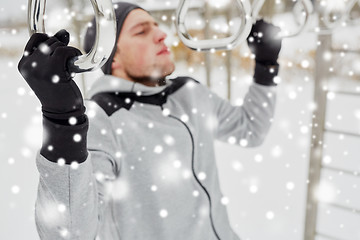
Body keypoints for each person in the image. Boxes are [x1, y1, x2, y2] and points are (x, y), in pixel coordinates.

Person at [18, 2, 282, 240]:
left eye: (156, 26)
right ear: (113, 55)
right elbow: (70, 234)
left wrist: (266, 65)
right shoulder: (103, 120)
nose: (162, 34)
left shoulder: (189, 93)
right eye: (142, 31)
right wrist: (61, 122)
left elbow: (250, 130)